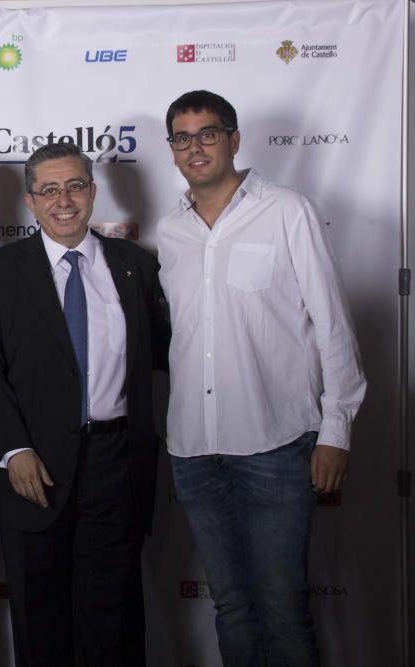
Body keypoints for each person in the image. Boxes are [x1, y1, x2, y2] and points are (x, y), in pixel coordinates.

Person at [158, 90, 366, 666]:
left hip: (277, 445)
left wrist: (335, 431)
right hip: (195, 452)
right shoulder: (170, 231)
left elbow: (333, 325)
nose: (194, 146)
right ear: (171, 150)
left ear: (234, 139)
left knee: (283, 606)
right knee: (231, 605)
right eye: (181, 136)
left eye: (207, 133)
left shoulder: (287, 210)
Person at [0, 142, 170, 666]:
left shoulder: (135, 265)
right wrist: (14, 449)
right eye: (50, 190)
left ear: (92, 191)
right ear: (31, 201)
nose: (64, 200)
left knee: (114, 621)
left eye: (75, 186)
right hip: (32, 468)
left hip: (116, 465)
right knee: (40, 624)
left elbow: (169, 353)